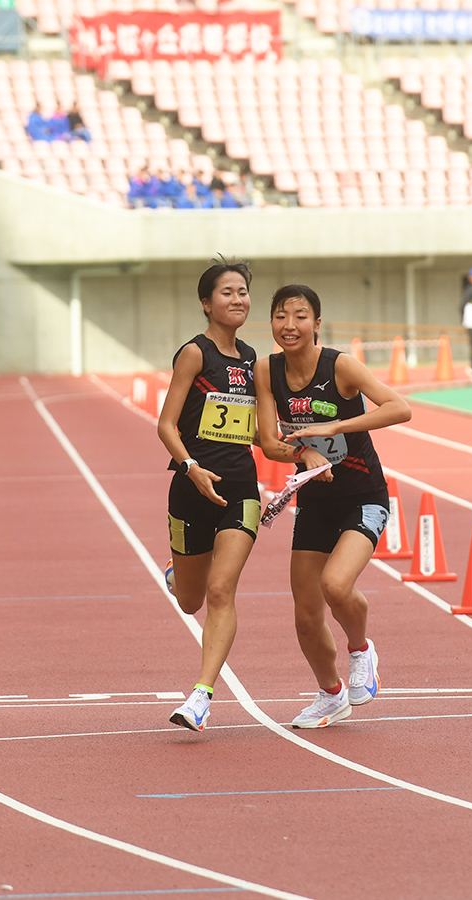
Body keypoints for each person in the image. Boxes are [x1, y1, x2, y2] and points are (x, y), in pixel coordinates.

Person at [253, 284, 412, 728]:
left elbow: (400, 409)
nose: (290, 325)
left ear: (317, 324)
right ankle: (330, 694)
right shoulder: (267, 370)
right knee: (305, 615)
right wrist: (304, 453)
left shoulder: (339, 365)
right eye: (281, 316)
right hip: (315, 499)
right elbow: (268, 442)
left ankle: (361, 650)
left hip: (362, 496)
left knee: (336, 586)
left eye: (300, 316)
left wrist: (339, 422)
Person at [159, 259, 261, 731]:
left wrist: (301, 453)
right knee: (190, 600)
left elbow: (258, 431)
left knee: (222, 590)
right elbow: (165, 424)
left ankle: (201, 694)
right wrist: (192, 467)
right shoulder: (195, 354)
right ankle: (178, 575)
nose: (237, 299)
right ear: (206, 303)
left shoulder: (251, 359)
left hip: (241, 489)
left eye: (243, 291)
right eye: (227, 292)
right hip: (191, 487)